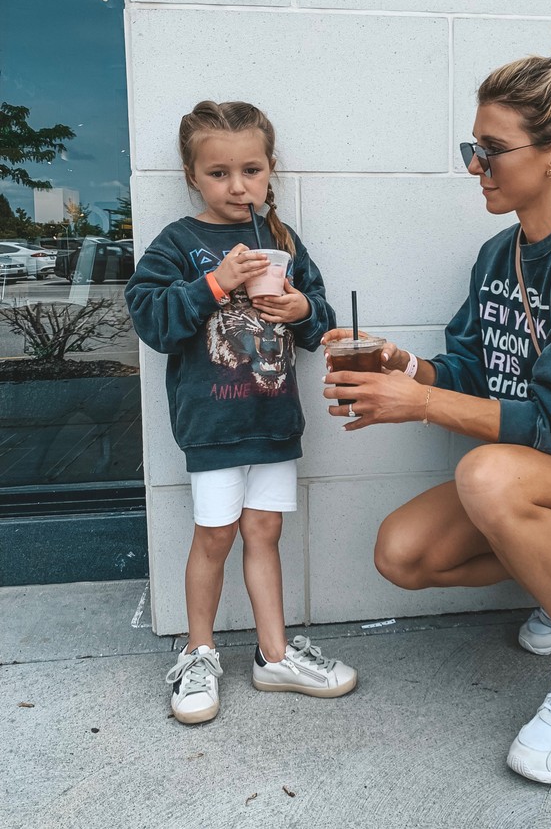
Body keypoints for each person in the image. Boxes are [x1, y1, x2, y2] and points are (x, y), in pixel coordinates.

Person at [321, 17, 551, 784]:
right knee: (403, 554)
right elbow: (472, 364)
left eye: (491, 151)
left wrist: (418, 405)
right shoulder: (501, 252)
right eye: (473, 149)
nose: (476, 167)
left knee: (488, 474)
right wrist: (407, 366)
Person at [126, 100, 356, 725]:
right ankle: (198, 652)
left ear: (270, 170)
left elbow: (324, 321)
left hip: (273, 421)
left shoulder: (280, 239)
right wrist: (216, 283)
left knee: (265, 534)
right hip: (213, 426)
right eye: (219, 173)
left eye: (250, 170)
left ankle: (274, 655)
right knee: (214, 537)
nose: (238, 185)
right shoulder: (179, 243)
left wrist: (303, 311)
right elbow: (151, 320)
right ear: (191, 175)